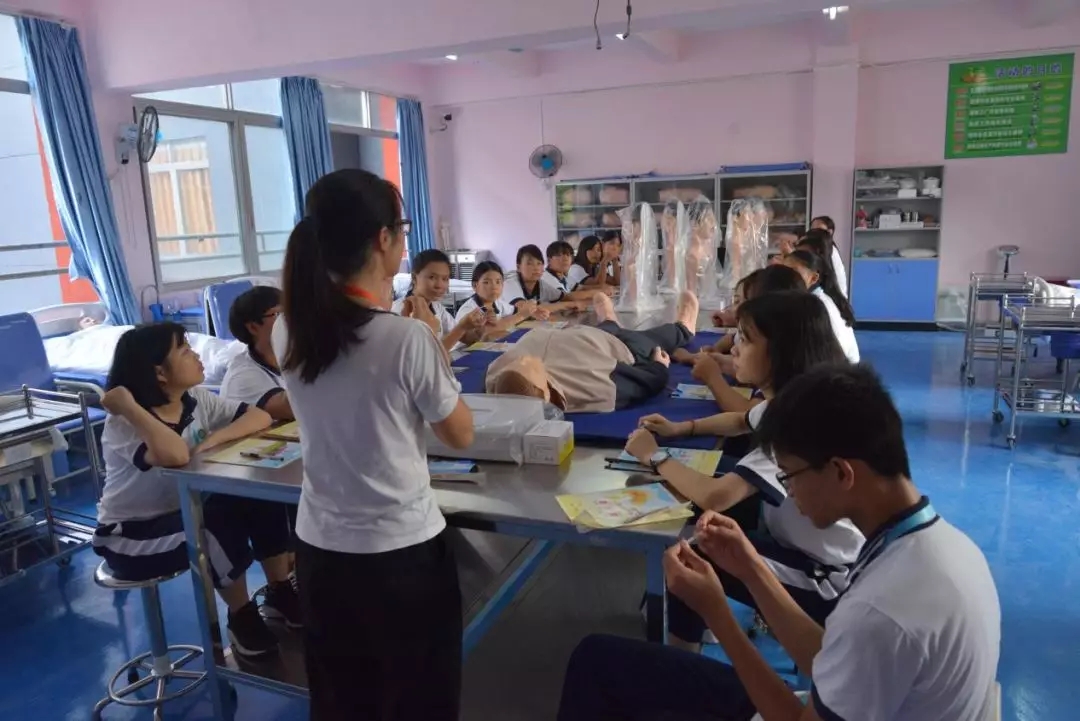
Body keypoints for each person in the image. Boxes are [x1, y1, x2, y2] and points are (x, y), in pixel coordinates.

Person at [558, 364, 1001, 721]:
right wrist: (750, 568)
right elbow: (830, 659)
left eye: (789, 476)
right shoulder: (943, 546)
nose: (788, 491)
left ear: (841, 472)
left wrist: (716, 611)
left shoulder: (881, 613)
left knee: (597, 663)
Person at [273, 169, 475, 720]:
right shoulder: (406, 338)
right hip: (399, 556)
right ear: (384, 239)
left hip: (320, 551)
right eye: (402, 229)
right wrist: (432, 347)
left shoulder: (288, 328)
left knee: (343, 701)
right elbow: (459, 433)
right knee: (418, 702)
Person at [629, 291, 863, 648]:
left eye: (746, 339)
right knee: (705, 510)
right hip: (805, 541)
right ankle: (688, 617)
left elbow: (717, 496)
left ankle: (680, 662)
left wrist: (654, 456)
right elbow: (741, 420)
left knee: (696, 554)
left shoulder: (795, 422)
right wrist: (682, 429)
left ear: (782, 351)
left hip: (827, 578)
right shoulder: (796, 397)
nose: (734, 348)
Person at [93, 323, 296, 658]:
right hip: (130, 536)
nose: (196, 355)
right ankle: (241, 616)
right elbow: (175, 455)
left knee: (258, 498)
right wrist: (129, 406)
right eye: (185, 351)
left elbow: (259, 417)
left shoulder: (195, 399)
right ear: (159, 372)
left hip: (182, 513)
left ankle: (280, 591)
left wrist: (212, 441)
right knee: (213, 523)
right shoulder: (126, 423)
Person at [485, 291, 697, 412]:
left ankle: (609, 318)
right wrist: (658, 366)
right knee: (650, 341)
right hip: (623, 349)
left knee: (605, 329)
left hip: (584, 337)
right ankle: (684, 327)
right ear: (547, 389)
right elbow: (641, 384)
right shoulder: (589, 385)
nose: (523, 359)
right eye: (527, 365)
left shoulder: (498, 374)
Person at [687, 265, 810, 413]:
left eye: (742, 302)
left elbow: (746, 414)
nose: (734, 350)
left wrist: (712, 378)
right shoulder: (793, 360)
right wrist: (721, 362)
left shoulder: (786, 390)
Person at [391, 249, 487, 350]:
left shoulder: (437, 307)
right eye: (432, 277)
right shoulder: (399, 312)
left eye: (445, 279)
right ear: (415, 278)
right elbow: (429, 353)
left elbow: (463, 337)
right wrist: (462, 327)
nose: (439, 285)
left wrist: (479, 331)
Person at [220, 286, 292, 420]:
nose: (289, 320)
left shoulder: (287, 358)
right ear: (253, 327)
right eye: (278, 314)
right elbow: (292, 407)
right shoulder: (242, 376)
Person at [782, 249, 860, 363]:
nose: (785, 277)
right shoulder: (813, 298)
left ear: (814, 278)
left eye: (794, 272)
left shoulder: (816, 306)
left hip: (840, 368)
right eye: (783, 271)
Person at [454, 259, 536, 334]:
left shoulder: (498, 303)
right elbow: (483, 333)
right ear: (475, 285)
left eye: (498, 282)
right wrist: (521, 316)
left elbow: (516, 310)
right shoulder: (468, 310)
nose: (494, 287)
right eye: (486, 282)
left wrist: (534, 310)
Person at [501, 244, 586, 315]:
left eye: (539, 263)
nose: (536, 268)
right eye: (529, 264)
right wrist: (568, 305)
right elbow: (525, 309)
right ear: (518, 267)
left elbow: (564, 296)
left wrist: (576, 303)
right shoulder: (510, 282)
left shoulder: (541, 284)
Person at [809, 215, 848, 297]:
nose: (814, 232)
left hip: (834, 297)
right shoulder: (818, 247)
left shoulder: (829, 250)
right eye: (812, 229)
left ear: (830, 232)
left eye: (818, 229)